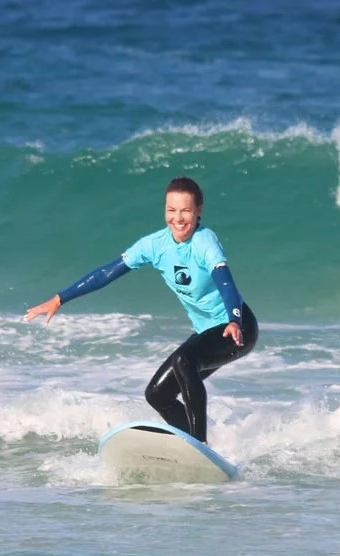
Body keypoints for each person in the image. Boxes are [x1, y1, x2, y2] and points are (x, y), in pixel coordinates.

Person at [25, 177, 258, 443]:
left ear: (199, 210)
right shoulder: (154, 245)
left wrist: (234, 320)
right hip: (206, 330)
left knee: (184, 361)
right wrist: (60, 298)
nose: (178, 218)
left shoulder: (206, 241)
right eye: (171, 210)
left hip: (237, 329)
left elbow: (225, 281)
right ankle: (197, 449)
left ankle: (199, 443)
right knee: (158, 395)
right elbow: (106, 273)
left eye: (186, 210)